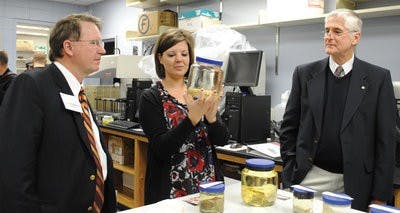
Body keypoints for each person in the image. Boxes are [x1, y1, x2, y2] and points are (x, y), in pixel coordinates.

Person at [279, 9, 396, 211]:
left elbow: (387, 142)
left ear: (355, 37)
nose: (328, 37)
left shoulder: (378, 79)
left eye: (337, 31)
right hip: (310, 177)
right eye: (326, 31)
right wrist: (291, 170)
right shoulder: (305, 74)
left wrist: (379, 196)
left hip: (355, 183)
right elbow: (289, 127)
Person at [0, 14, 116, 212]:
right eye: (94, 42)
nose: (102, 49)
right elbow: (13, 170)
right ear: (68, 47)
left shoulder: (77, 91)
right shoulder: (32, 85)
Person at [139, 29, 229, 204]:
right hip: (172, 189)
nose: (179, 59)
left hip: (207, 185)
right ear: (160, 58)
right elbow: (162, 148)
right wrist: (192, 119)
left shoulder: (200, 91)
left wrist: (211, 118)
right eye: (171, 54)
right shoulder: (151, 97)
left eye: (184, 54)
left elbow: (222, 140)